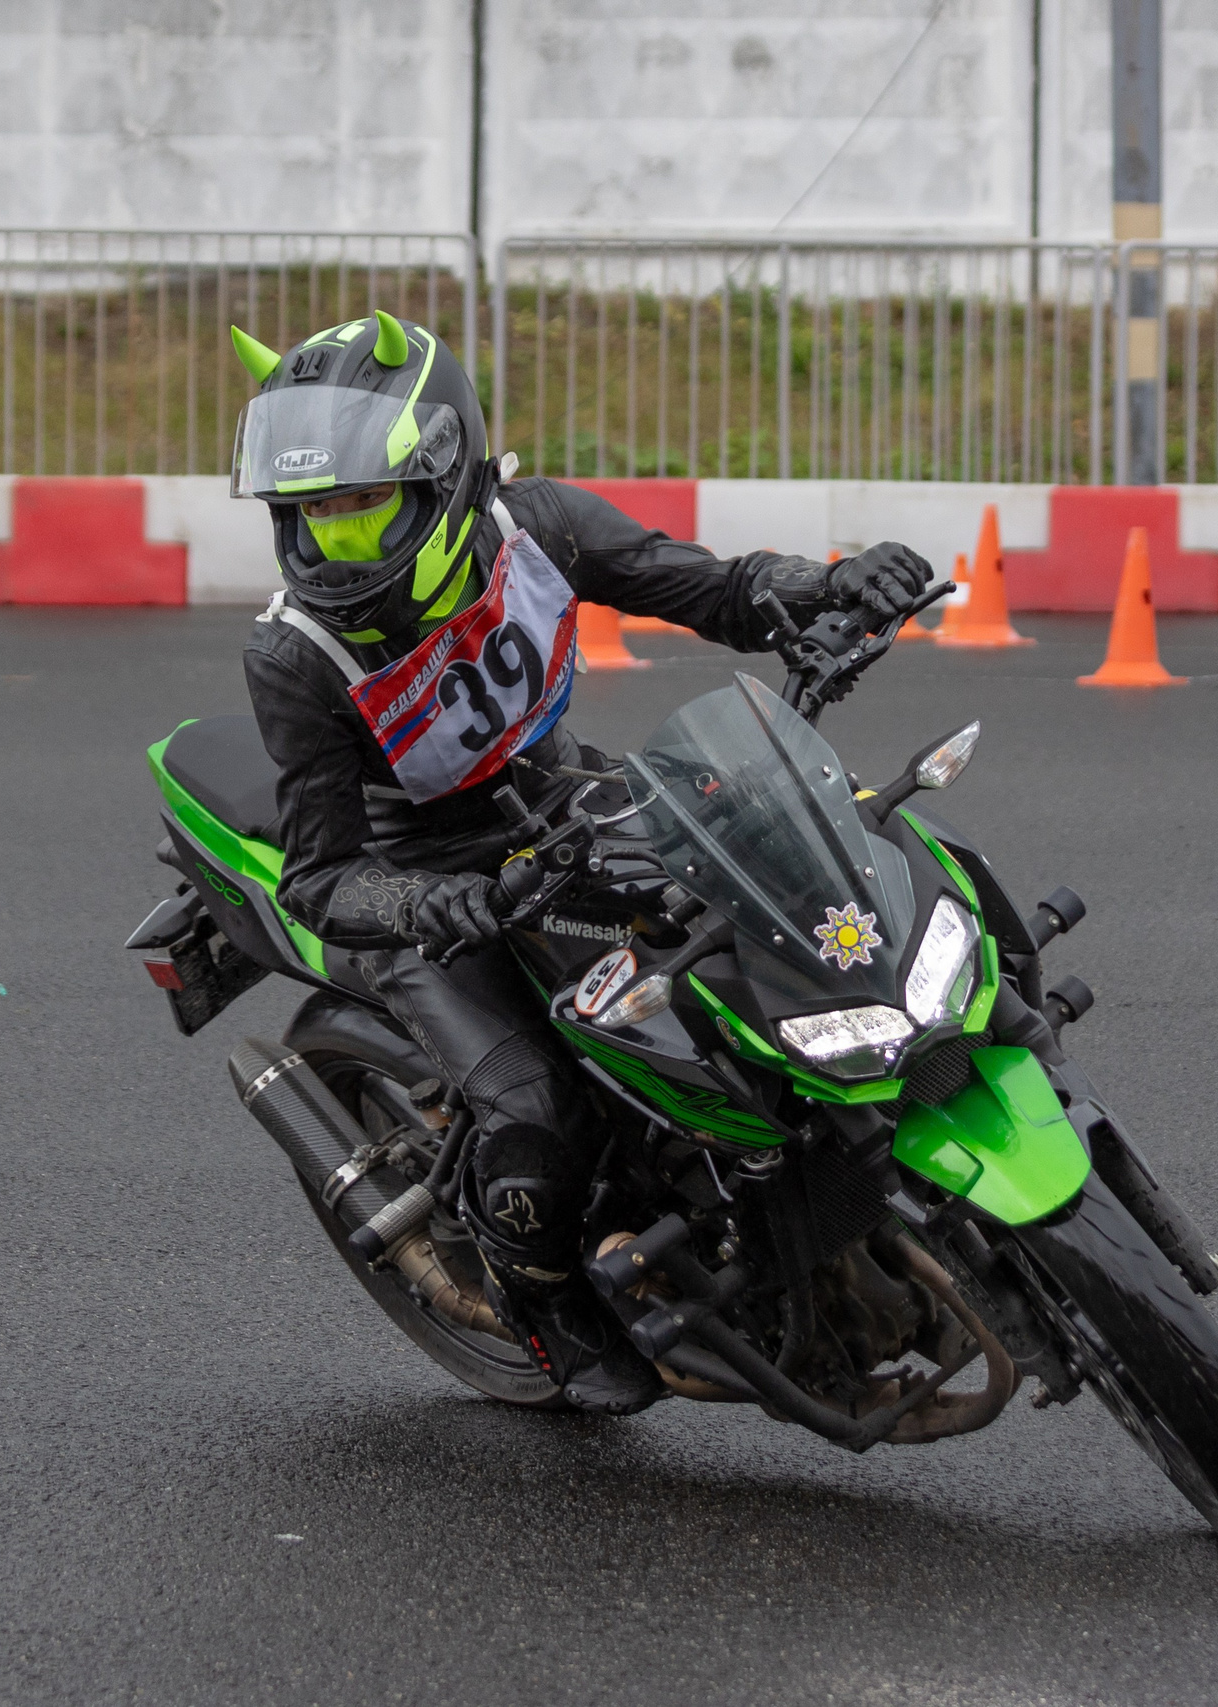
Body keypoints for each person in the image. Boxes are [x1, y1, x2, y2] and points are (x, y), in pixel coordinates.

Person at [230, 312, 931, 1412]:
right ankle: (542, 1304)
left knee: (819, 878)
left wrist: (829, 585)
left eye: (359, 509)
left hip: (574, 802)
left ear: (441, 474)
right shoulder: (294, 652)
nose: (334, 543)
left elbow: (707, 588)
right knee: (533, 1111)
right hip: (434, 890)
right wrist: (456, 901)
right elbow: (321, 881)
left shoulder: (537, 524)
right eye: (312, 516)